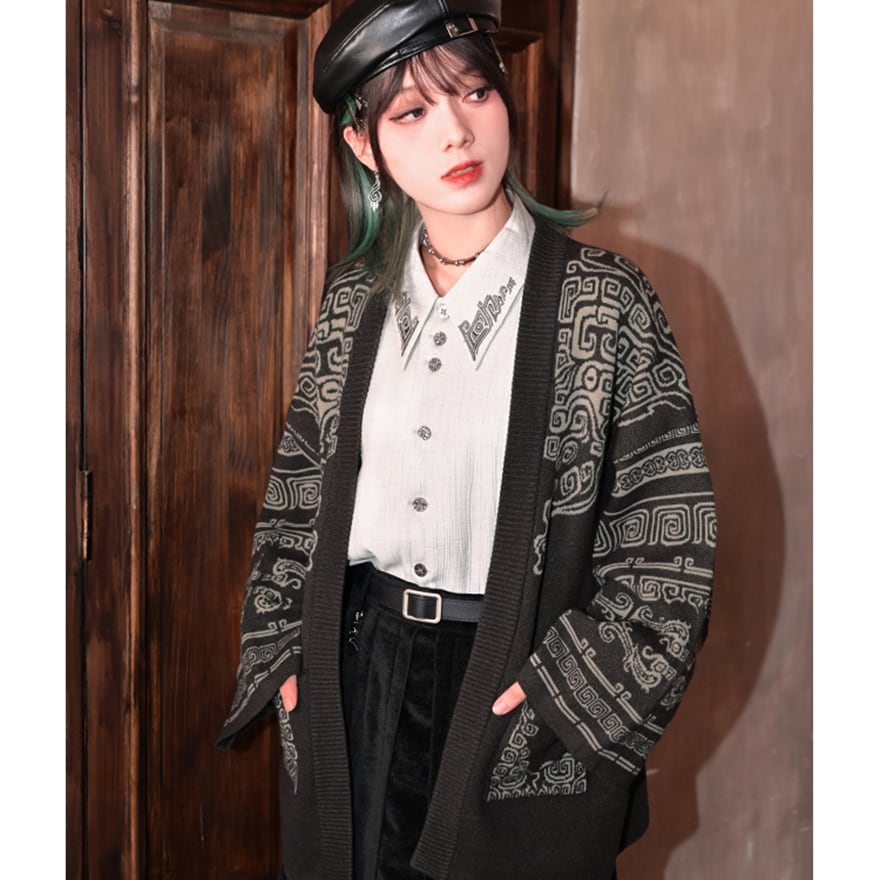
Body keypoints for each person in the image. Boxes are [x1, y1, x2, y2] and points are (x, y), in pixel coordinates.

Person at [217, 2, 716, 878]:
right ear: (364, 145)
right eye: (412, 112)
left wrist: (559, 697)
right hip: (355, 671)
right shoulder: (353, 303)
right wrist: (286, 653)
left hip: (514, 680)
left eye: (476, 92)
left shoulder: (607, 305)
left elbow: (667, 550)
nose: (456, 131)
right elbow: (296, 494)